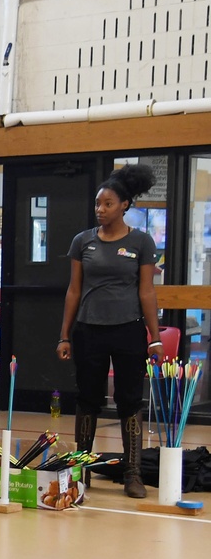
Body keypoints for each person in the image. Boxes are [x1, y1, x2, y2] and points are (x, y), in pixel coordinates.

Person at [57, 164, 163, 498]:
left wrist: (155, 336)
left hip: (129, 331)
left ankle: (133, 472)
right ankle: (81, 471)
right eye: (97, 204)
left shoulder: (141, 242)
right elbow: (73, 290)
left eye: (108, 204)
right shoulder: (82, 242)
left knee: (129, 400)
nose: (100, 210)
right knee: (87, 400)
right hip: (89, 330)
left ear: (125, 205)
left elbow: (146, 291)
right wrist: (64, 334)